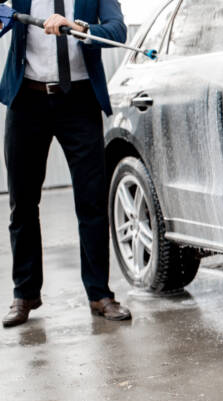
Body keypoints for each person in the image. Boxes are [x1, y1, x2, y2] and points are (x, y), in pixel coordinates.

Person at [0, 0, 131, 328]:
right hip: (27, 99)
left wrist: (81, 28)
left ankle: (99, 294)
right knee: (23, 203)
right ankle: (25, 292)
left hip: (80, 100)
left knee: (92, 202)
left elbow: (116, 29)